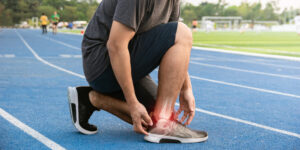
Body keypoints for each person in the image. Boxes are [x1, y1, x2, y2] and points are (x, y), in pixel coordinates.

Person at [67, 0, 208, 143]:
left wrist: (186, 89)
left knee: (152, 119)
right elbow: (116, 45)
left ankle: (92, 99)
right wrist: (133, 103)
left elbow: (173, 44)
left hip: (126, 62)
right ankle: (165, 125)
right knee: (183, 31)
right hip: (102, 64)